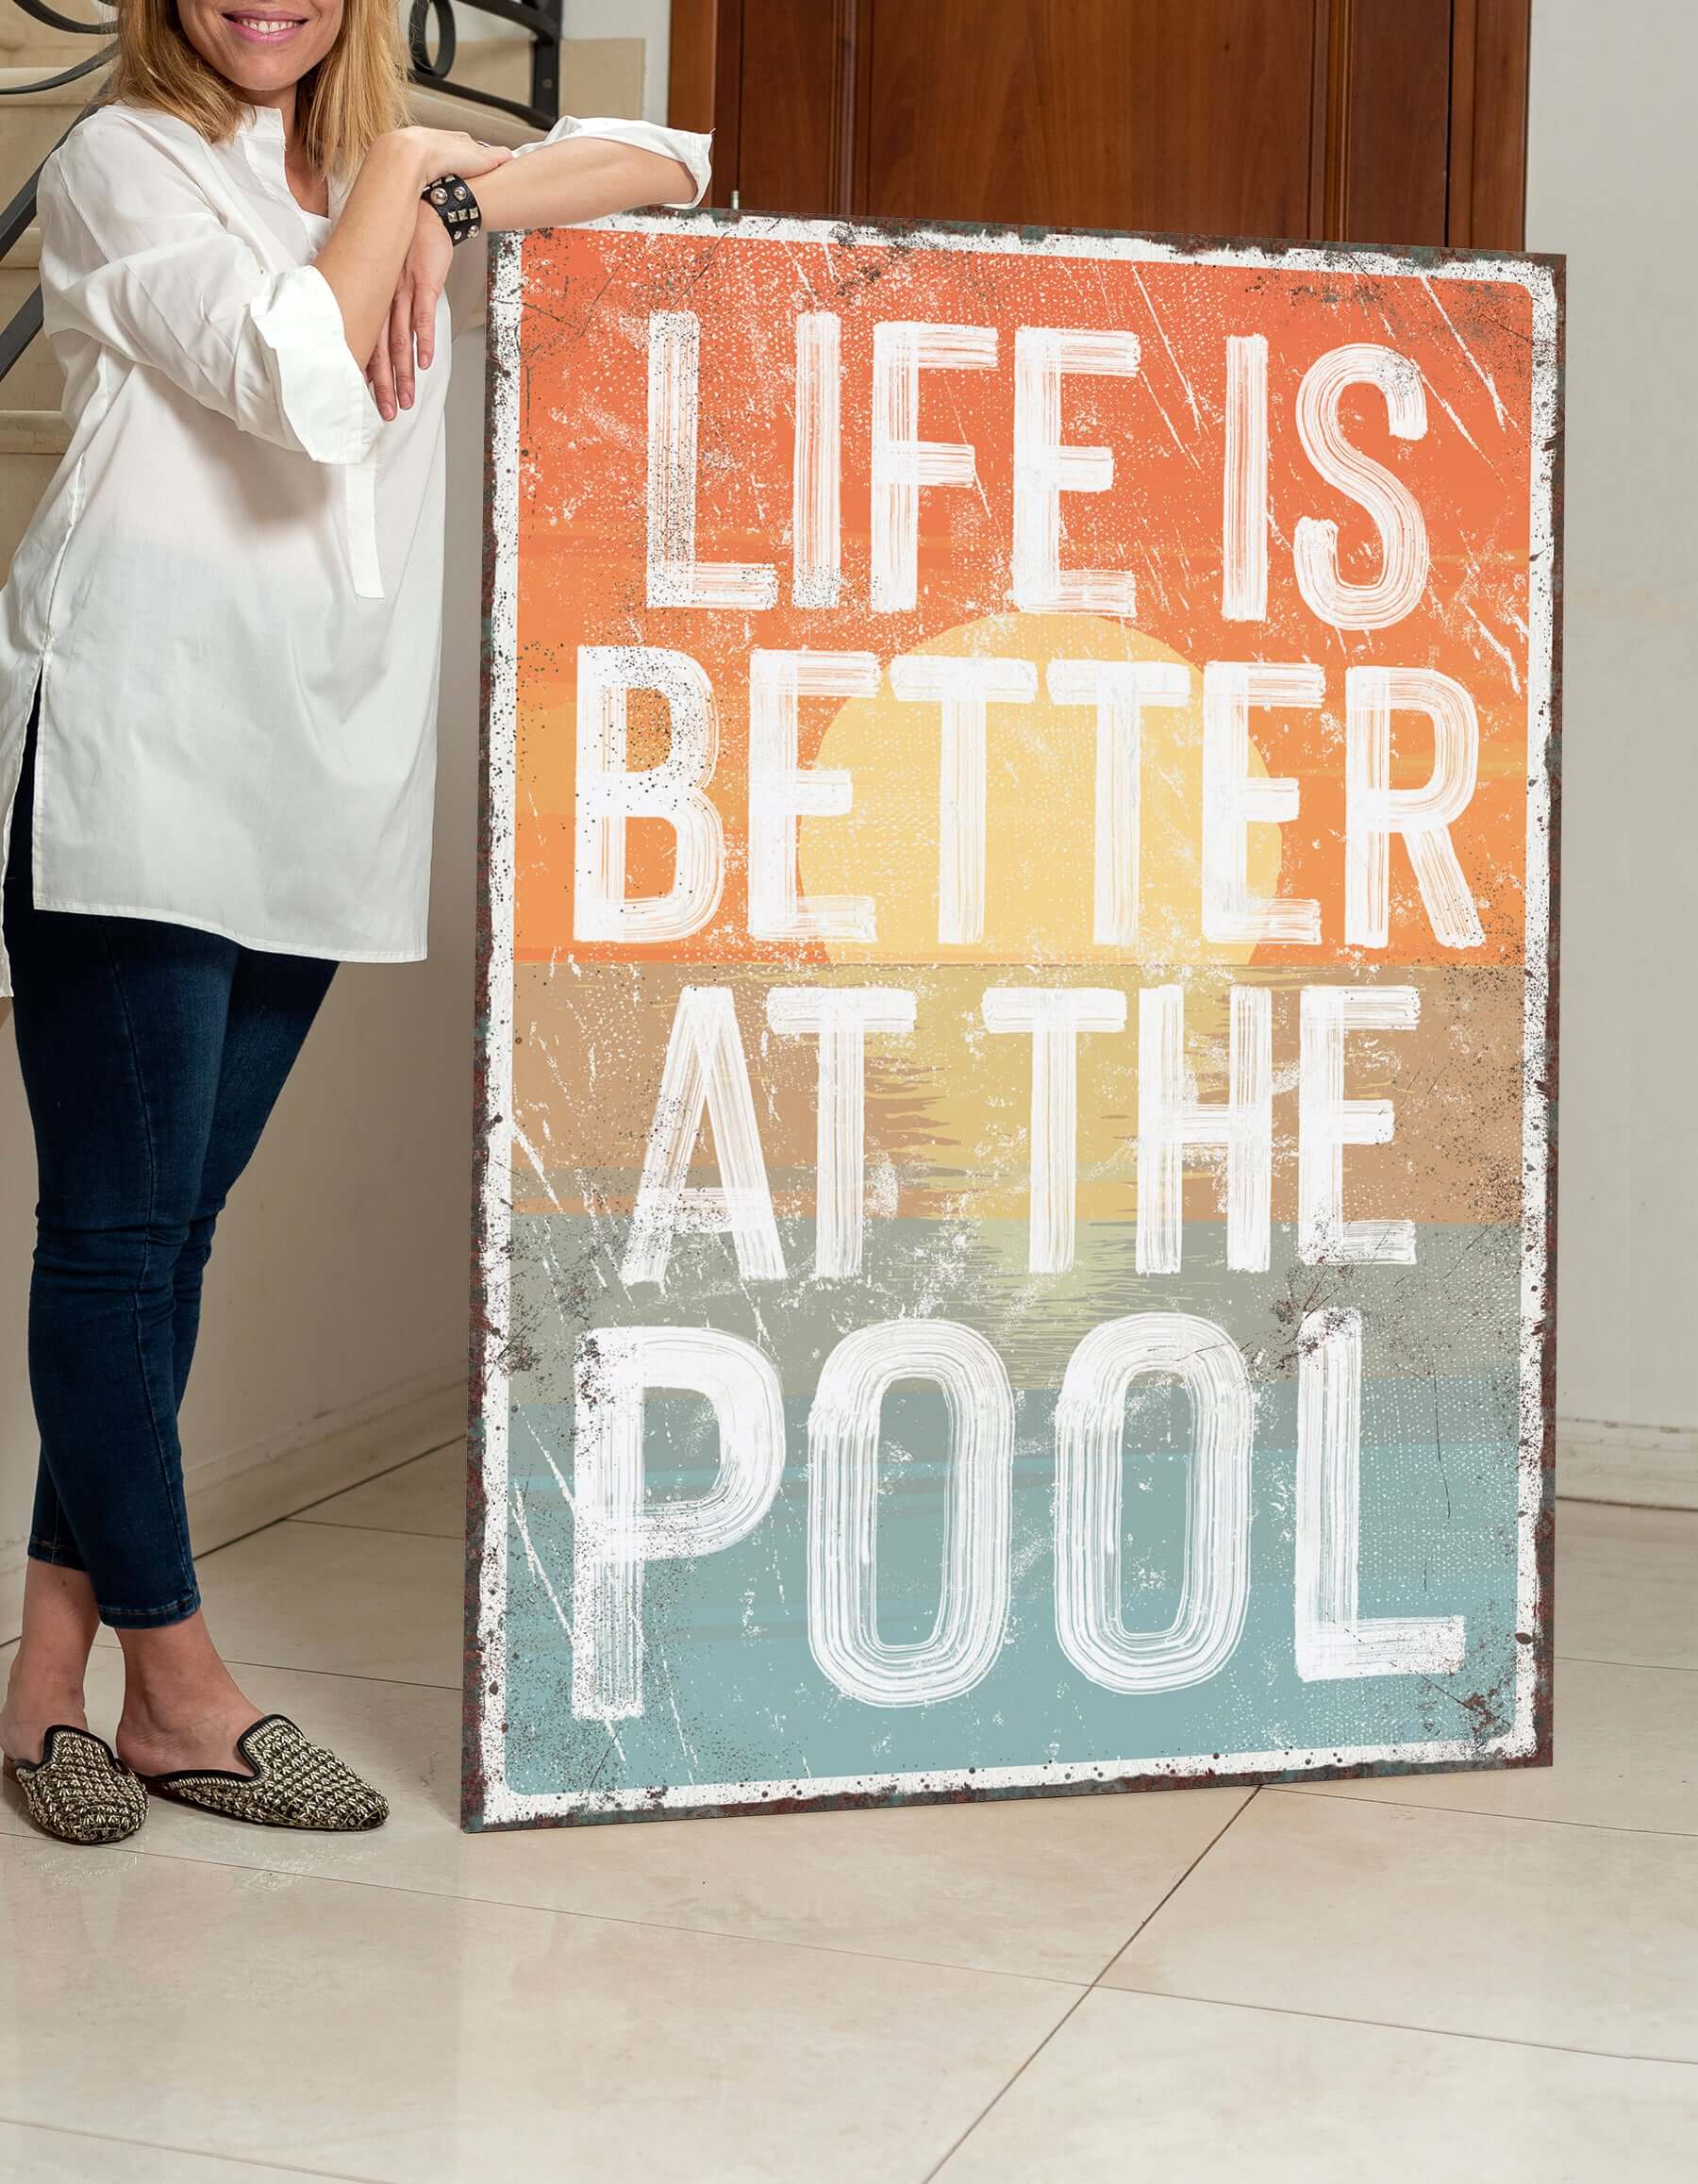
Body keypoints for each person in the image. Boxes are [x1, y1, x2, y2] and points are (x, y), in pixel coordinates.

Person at [0, 0, 709, 1843]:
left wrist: (435, 206)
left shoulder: (412, 184)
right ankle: (181, 1680)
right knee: (117, 1233)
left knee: (173, 1236)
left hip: (318, 770)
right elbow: (301, 380)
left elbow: (673, 163)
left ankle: (42, 1682)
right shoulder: (118, 164)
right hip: (140, 751)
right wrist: (412, 170)